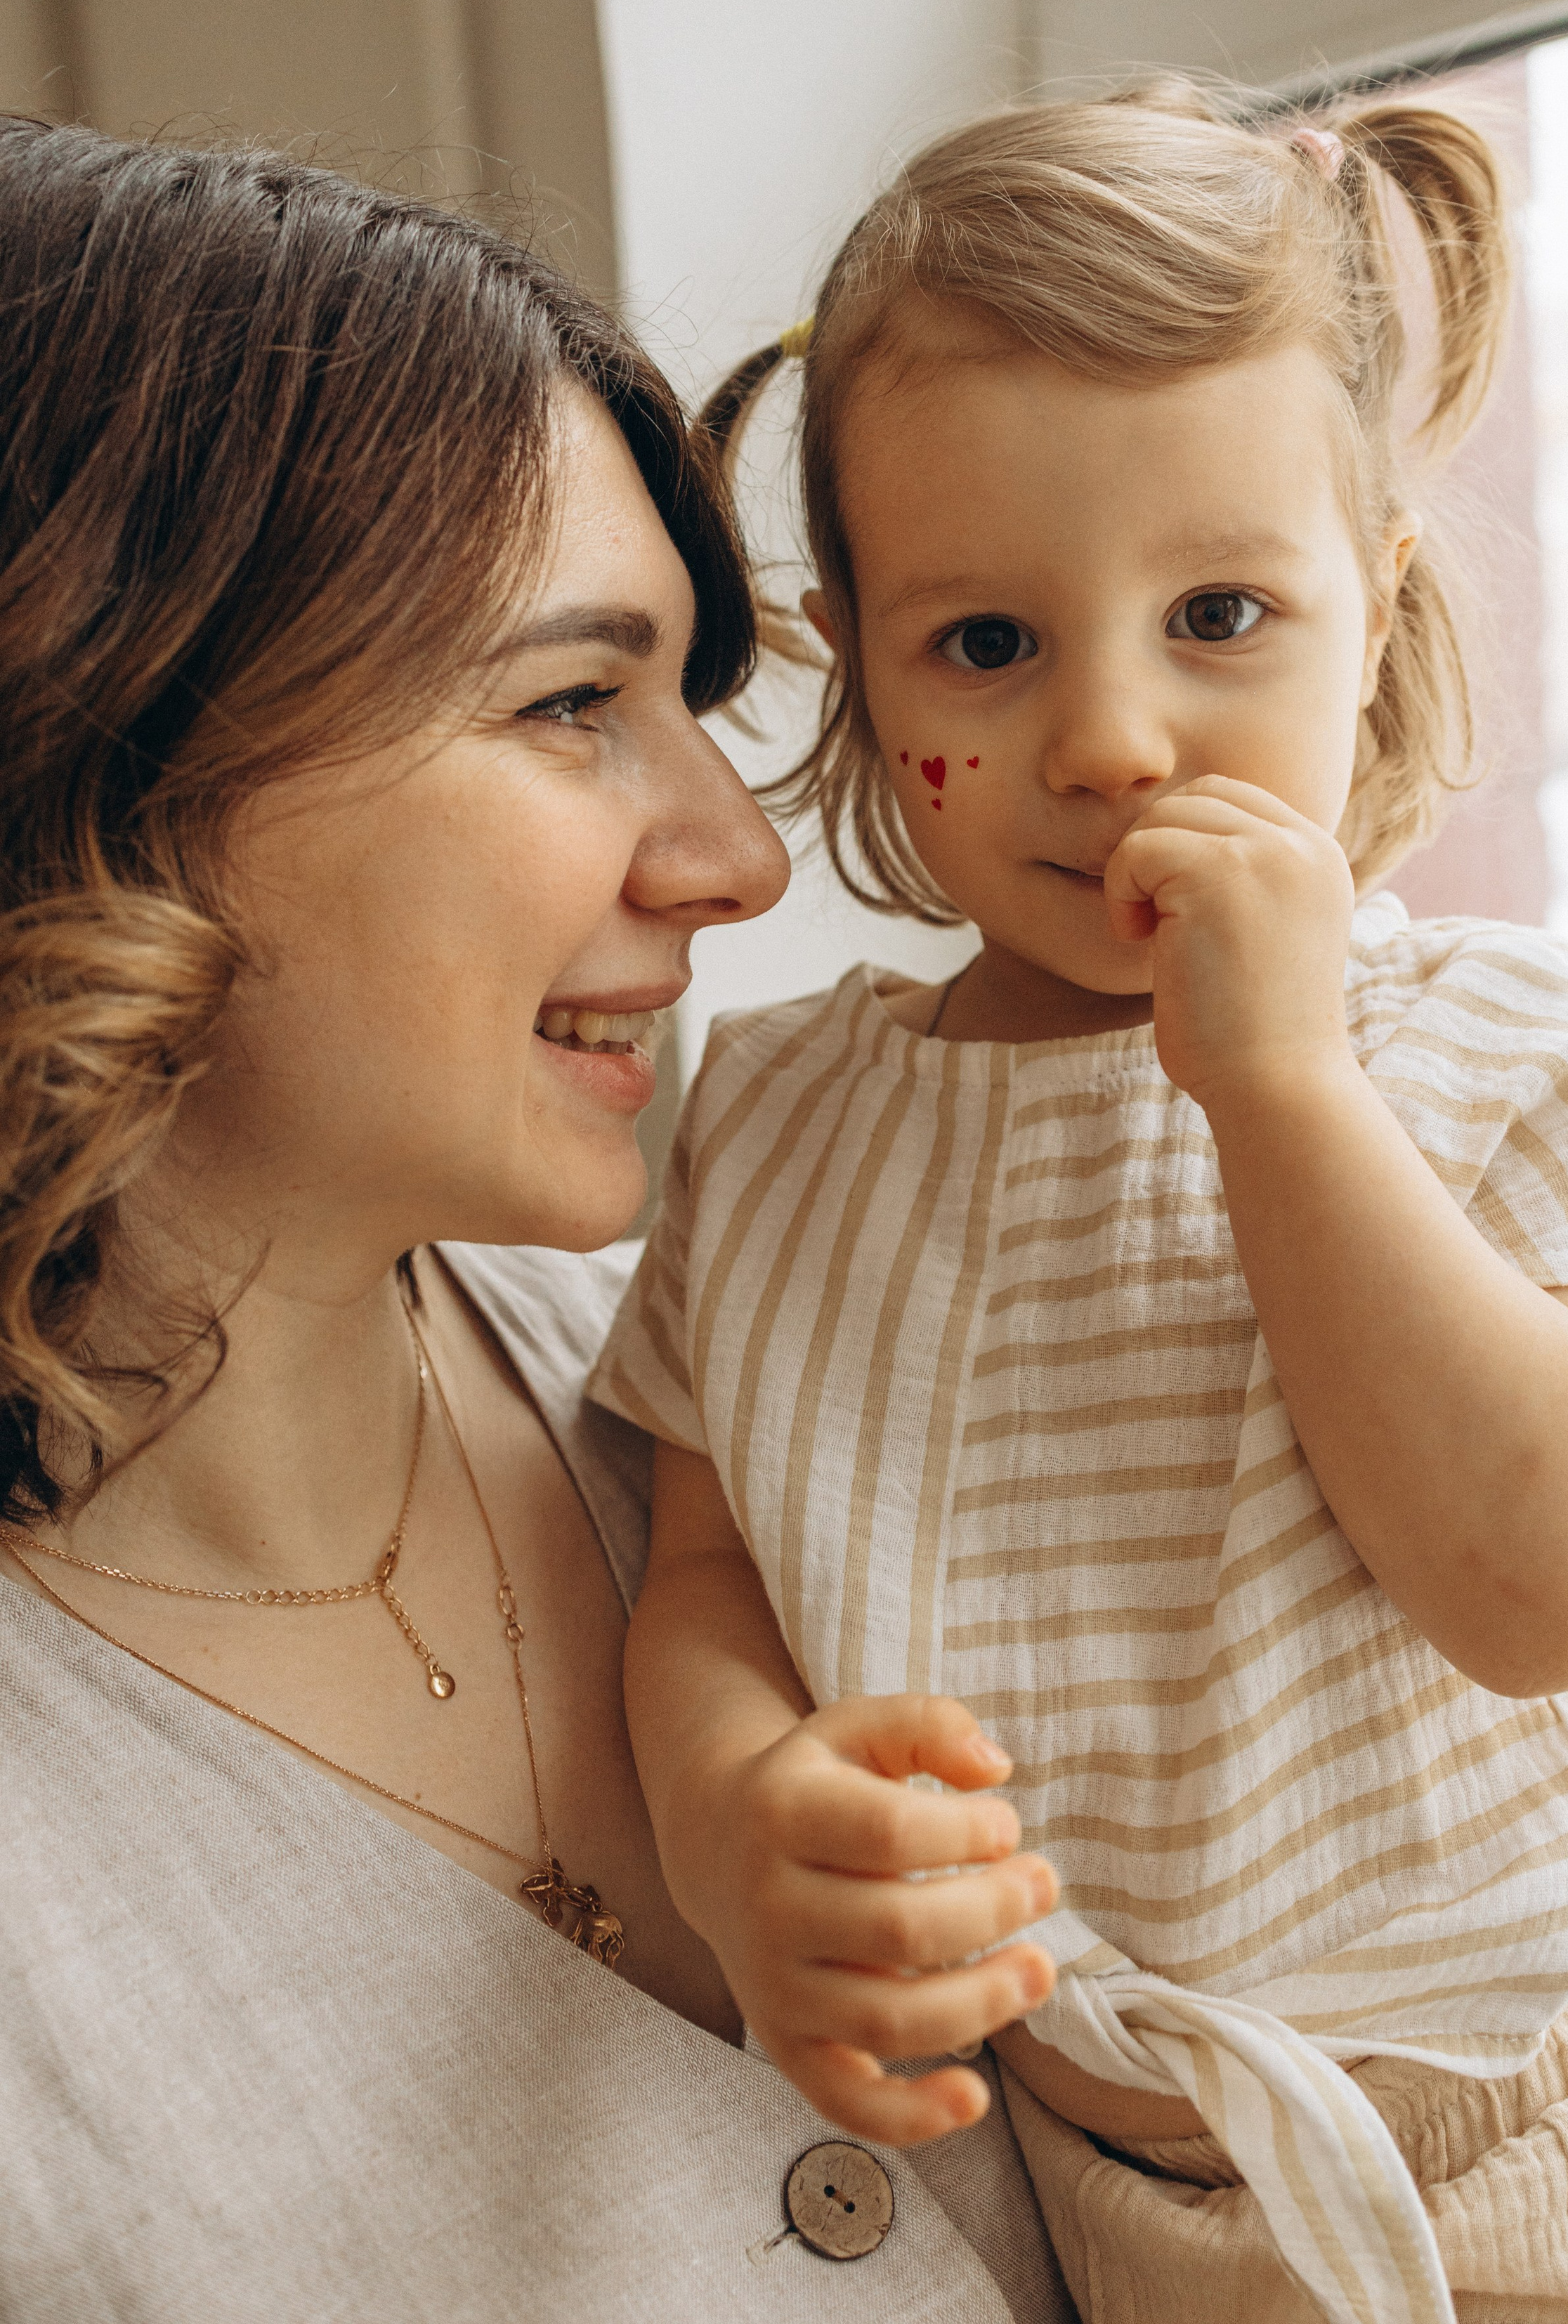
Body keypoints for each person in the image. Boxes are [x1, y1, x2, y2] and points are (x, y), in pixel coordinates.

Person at [595, 80, 1568, 2323]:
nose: (1117, 737)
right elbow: (707, 1569)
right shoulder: (782, 1125)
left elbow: (1550, 1588)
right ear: (858, 660)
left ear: (1379, 605)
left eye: (1223, 611)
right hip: (1084, 2166)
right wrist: (742, 1810)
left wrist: (1284, 1091)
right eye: (988, 646)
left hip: (1514, 2151)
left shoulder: (1504, 1056)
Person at [0, 120, 1076, 2324]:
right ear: (111, 739)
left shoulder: (767, 1380)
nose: (735, 855)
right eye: (575, 702)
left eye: (689, 699)